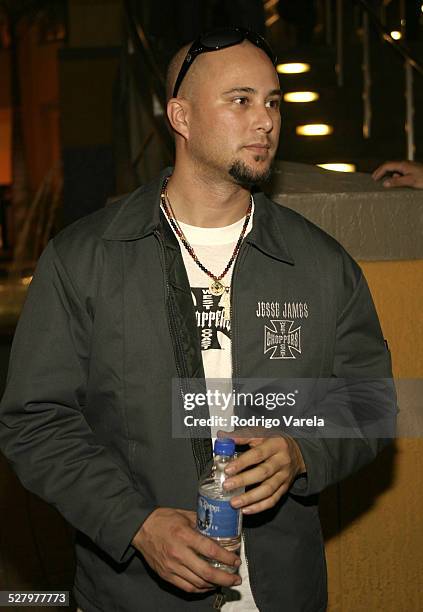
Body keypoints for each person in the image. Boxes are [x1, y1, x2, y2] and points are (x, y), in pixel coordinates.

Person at [0, 26, 394, 612]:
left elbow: (372, 399)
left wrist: (304, 448)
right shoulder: (86, 259)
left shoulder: (319, 264)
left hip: (284, 589)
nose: (265, 120)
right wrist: (135, 524)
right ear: (180, 116)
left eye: (272, 101)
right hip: (136, 595)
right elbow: (35, 420)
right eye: (240, 100)